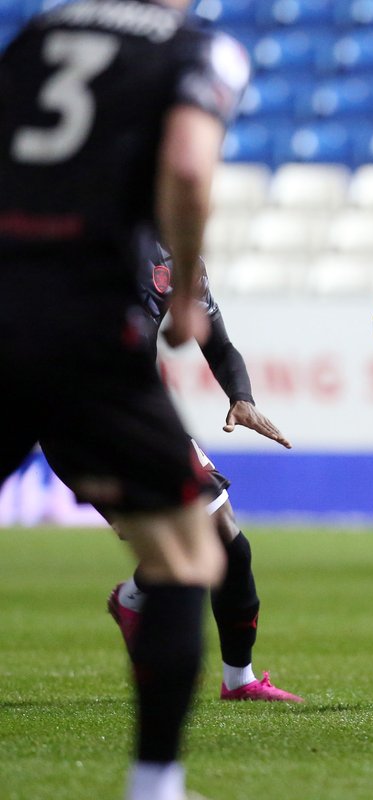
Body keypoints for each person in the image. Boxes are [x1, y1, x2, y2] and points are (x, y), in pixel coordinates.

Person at [0, 2, 251, 799]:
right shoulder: (200, 51)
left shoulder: (41, 31)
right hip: (84, 322)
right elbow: (185, 166)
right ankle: (155, 785)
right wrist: (182, 285)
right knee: (187, 554)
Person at [105, 244, 302, 704]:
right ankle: (140, 599)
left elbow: (219, 343)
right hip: (84, 413)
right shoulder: (92, 234)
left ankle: (238, 679)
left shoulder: (174, 254)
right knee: (210, 540)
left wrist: (241, 395)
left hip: (138, 413)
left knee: (227, 543)